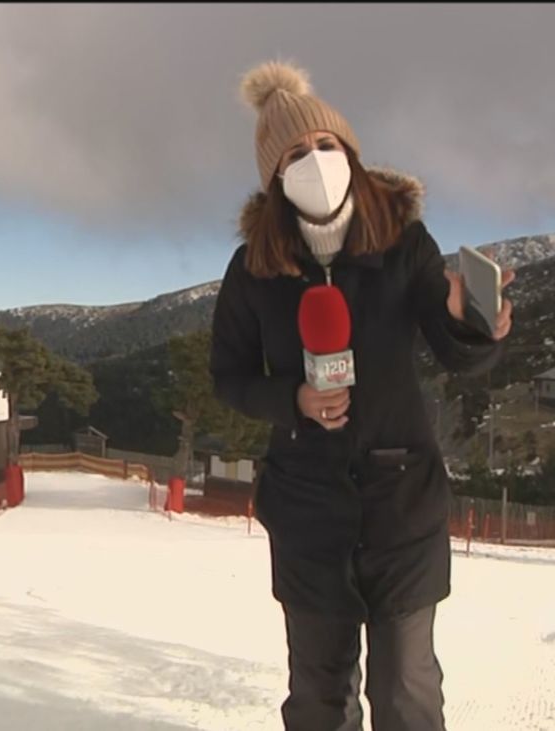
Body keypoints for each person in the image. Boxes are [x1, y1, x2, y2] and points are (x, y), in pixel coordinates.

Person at [211, 61, 514, 731]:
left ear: (349, 151)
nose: (315, 161)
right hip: (306, 509)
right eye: (295, 153)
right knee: (319, 697)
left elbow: (458, 353)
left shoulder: (404, 243)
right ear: (274, 176)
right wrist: (293, 400)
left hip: (402, 505)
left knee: (406, 690)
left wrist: (474, 324)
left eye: (326, 144)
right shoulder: (253, 267)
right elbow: (228, 375)